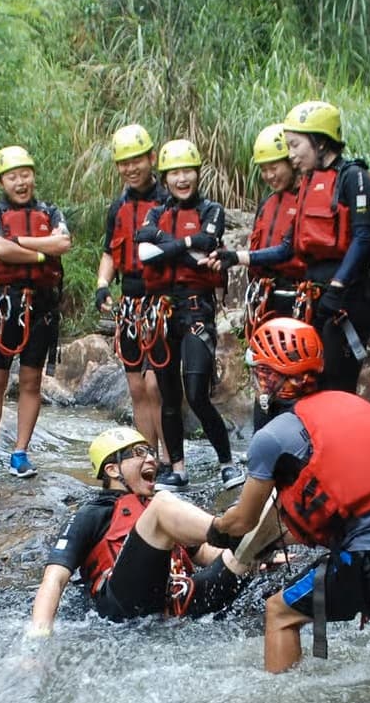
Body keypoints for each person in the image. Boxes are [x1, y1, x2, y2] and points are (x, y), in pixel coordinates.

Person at [211, 318, 370, 673]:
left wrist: (215, 529)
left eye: (259, 370)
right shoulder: (349, 405)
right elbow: (354, 504)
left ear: (266, 376)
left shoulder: (272, 437)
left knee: (279, 613)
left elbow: (243, 520)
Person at [27, 427, 273, 636]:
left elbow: (207, 554)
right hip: (124, 604)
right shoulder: (94, 513)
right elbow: (54, 578)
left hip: (177, 598)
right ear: (113, 470)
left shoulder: (170, 516)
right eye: (138, 453)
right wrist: (37, 639)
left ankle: (248, 542)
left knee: (253, 534)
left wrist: (255, 554)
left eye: (151, 452)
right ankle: (229, 529)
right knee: (163, 504)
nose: (151, 460)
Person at [248, 100, 370, 394]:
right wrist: (238, 257)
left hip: (346, 299)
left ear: (320, 142)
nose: (291, 154)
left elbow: (362, 238)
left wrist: (336, 287)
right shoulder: (309, 183)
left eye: (296, 145)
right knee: (307, 384)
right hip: (314, 298)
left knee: (335, 385)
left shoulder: (354, 178)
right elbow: (288, 247)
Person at [135, 139, 241, 491]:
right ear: (165, 178)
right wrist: (184, 245)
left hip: (196, 307)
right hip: (162, 311)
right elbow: (145, 253)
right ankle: (177, 469)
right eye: (175, 173)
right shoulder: (154, 212)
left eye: (188, 171)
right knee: (167, 395)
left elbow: (208, 244)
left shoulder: (212, 210)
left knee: (196, 393)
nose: (182, 179)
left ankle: (226, 462)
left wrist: (165, 245)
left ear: (197, 173)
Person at [0, 145, 72, 485]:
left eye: (25, 174)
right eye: (13, 177)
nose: (20, 182)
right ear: (2, 181)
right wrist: (40, 252)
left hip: (41, 307)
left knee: (31, 382)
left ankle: (20, 452)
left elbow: (63, 244)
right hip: (5, 306)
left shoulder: (50, 210)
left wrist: (21, 244)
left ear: (33, 175)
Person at [215, 123, 303, 432]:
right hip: (265, 302)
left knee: (292, 377)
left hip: (294, 302)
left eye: (274, 167)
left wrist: (238, 258)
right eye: (263, 170)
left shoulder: (304, 200)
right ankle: (262, 443)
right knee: (263, 375)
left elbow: (285, 250)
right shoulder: (269, 203)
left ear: (291, 162)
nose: (269, 175)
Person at [94, 124, 167, 469]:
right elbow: (110, 251)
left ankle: (170, 453)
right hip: (130, 302)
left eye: (137, 160)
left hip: (162, 301)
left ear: (152, 158)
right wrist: (102, 285)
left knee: (156, 384)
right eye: (124, 163)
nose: (131, 168)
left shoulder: (169, 201)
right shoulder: (117, 207)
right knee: (137, 386)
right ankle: (149, 455)